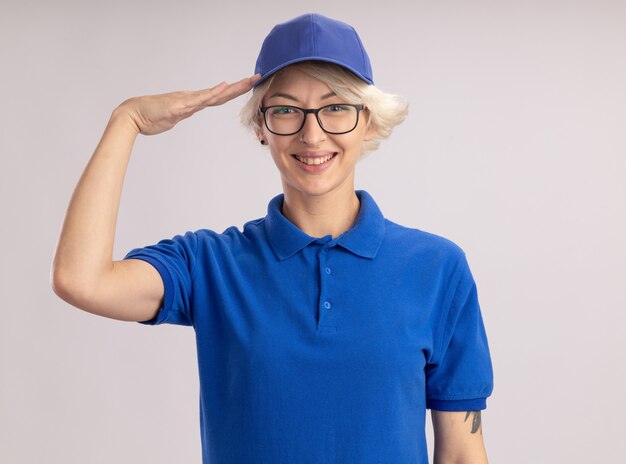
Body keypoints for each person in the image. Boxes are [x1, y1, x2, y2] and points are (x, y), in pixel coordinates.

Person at [51, 13, 493, 464]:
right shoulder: (209, 265)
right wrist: (126, 121)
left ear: (369, 122)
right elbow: (80, 279)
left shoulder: (438, 269)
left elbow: (461, 454)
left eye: (335, 107)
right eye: (285, 110)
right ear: (261, 127)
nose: (311, 133)